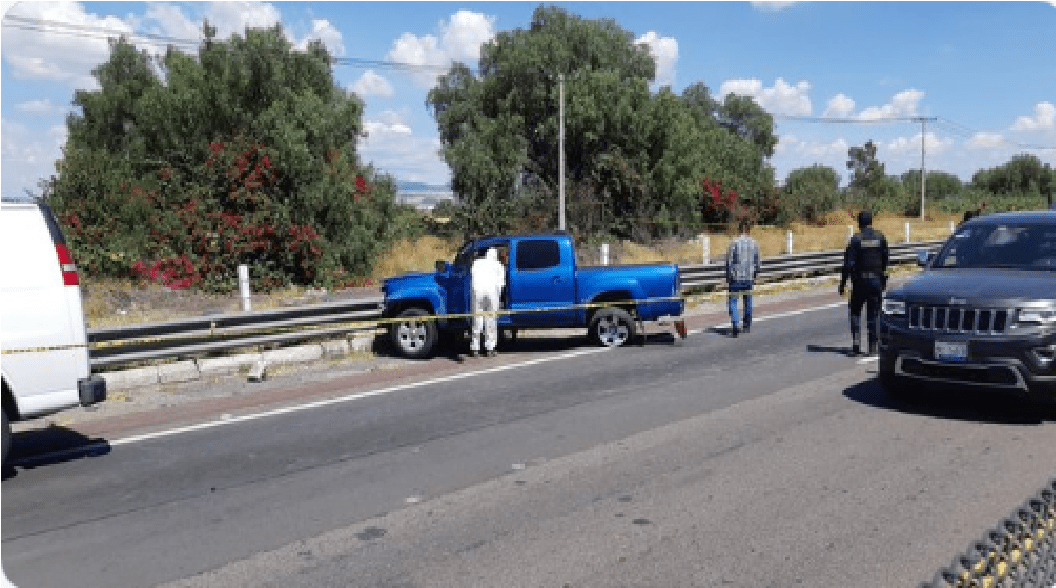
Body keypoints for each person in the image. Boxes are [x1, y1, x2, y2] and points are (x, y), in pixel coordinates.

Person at [839, 210, 890, 356]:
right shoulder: (880, 238)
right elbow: (886, 260)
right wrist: (882, 277)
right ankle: (872, 347)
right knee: (873, 315)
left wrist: (842, 284)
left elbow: (848, 265)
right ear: (871, 222)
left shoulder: (856, 240)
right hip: (875, 282)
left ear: (859, 223)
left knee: (855, 311)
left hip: (860, 282)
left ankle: (856, 343)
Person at [724, 219, 761, 338]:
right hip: (749, 277)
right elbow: (758, 262)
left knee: (733, 301)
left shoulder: (733, 243)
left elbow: (729, 262)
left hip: (735, 277)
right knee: (748, 301)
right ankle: (747, 325)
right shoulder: (754, 243)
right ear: (749, 230)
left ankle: (735, 323)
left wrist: (727, 276)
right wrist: (756, 275)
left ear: (739, 229)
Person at [470, 247, 506, 357]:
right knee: (491, 320)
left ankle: (475, 348)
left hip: (477, 292)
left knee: (477, 320)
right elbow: (501, 285)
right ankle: (490, 348)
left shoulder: (476, 263)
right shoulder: (498, 265)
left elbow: (471, 276)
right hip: (492, 293)